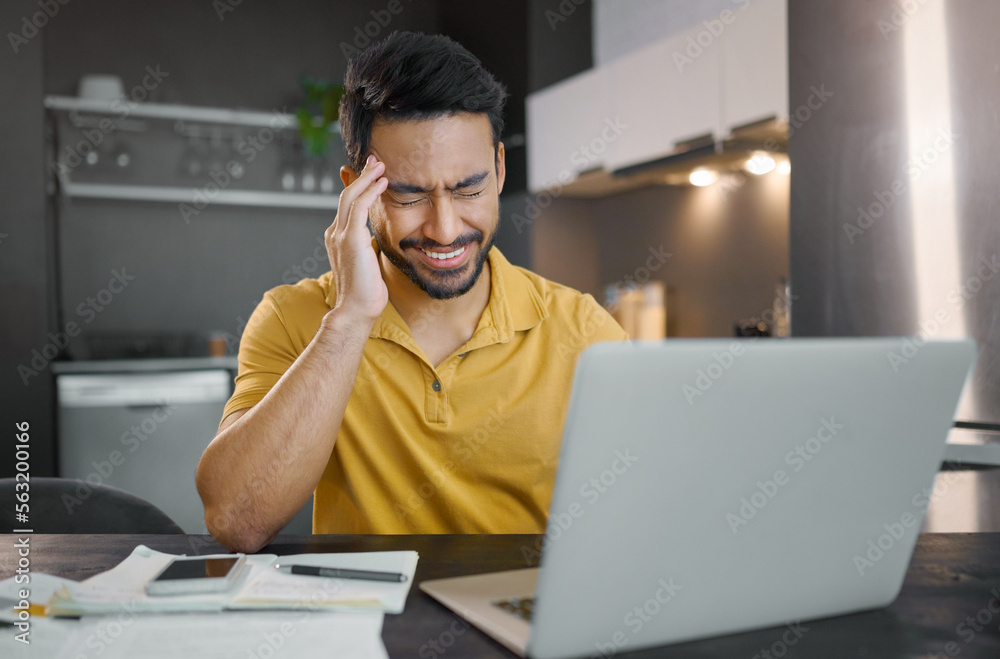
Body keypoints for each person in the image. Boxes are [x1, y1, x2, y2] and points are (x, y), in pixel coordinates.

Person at [196, 31, 627, 552]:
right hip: (360, 622)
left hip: (519, 622)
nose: (445, 230)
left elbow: (641, 518)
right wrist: (350, 318)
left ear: (500, 169)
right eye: (409, 196)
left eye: (468, 189)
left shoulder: (583, 332)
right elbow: (238, 520)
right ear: (357, 189)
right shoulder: (294, 318)